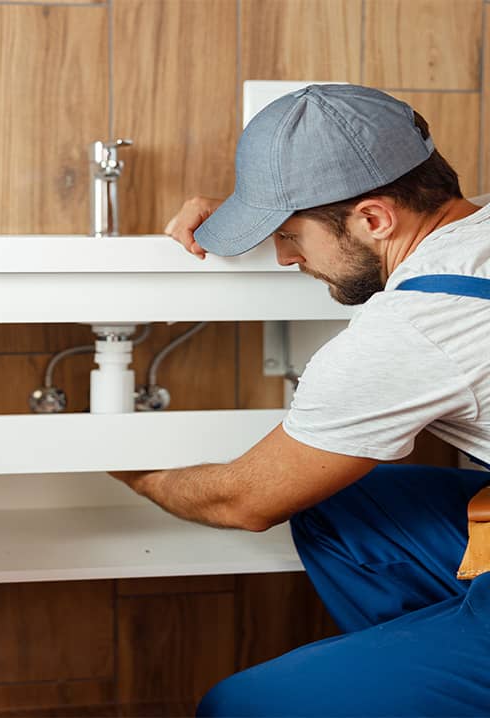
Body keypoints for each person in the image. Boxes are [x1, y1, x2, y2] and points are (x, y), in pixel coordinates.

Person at [112, 84, 490, 716]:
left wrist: (135, 472)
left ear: (374, 218)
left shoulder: (415, 327)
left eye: (290, 235)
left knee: (242, 707)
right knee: (342, 505)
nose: (285, 257)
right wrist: (251, 212)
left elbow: (245, 500)